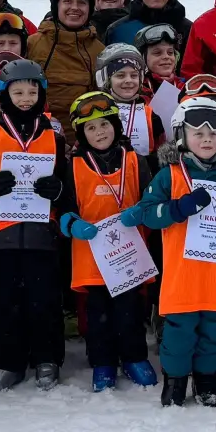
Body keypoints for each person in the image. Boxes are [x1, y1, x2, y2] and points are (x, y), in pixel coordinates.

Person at [122, 95, 216, 407]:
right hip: (182, 274)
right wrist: (179, 207)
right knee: (179, 333)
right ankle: (176, 380)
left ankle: (206, 380)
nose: (206, 140)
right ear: (182, 136)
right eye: (198, 134)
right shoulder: (170, 175)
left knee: (214, 332)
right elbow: (148, 214)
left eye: (213, 134)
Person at [0, 60, 70, 393]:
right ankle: (8, 361)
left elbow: (67, 183)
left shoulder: (54, 136)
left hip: (41, 234)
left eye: (32, 91)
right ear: (3, 94)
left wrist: (57, 191)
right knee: (3, 301)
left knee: (44, 299)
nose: (26, 98)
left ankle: (47, 358)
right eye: (18, 91)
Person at [58, 91, 157, 392]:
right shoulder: (71, 166)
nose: (99, 132)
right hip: (92, 257)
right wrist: (72, 224)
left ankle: (134, 357)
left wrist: (141, 212)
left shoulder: (136, 161)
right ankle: (102, 362)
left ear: (115, 125)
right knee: (97, 315)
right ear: (81, 133)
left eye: (104, 124)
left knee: (130, 312)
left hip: (128, 257)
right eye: (90, 127)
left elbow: (152, 201)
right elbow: (63, 209)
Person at [26, 0, 105, 136]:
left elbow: (104, 102)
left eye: (82, 3)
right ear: (56, 6)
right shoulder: (33, 44)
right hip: (38, 138)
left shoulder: (99, 51)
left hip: (83, 141)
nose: (74, 7)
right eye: (67, 1)